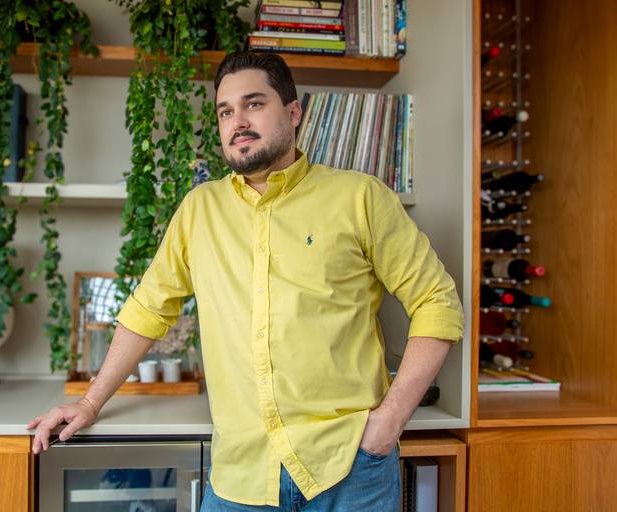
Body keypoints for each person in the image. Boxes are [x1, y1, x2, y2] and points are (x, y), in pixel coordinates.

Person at [27, 51, 464, 511]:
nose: (238, 121)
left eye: (254, 104)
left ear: (293, 113)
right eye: (225, 111)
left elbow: (437, 302)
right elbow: (148, 311)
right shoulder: (200, 209)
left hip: (351, 468)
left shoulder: (360, 197)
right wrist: (90, 403)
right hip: (241, 476)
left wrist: (391, 419)